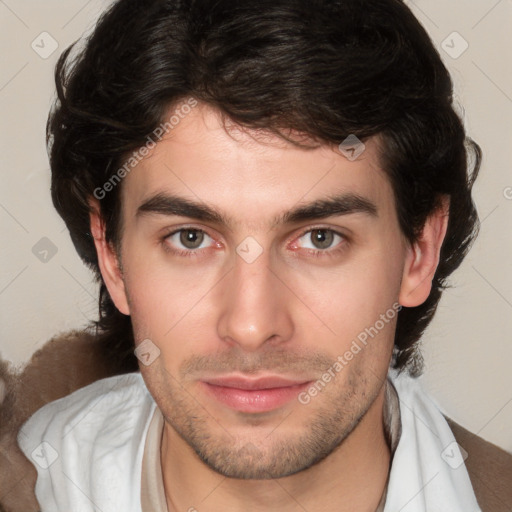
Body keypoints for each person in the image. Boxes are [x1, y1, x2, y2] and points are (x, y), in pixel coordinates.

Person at [13, 0, 512, 510]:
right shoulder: (30, 485)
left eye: (321, 238)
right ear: (112, 257)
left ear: (419, 252)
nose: (251, 326)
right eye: (190, 238)